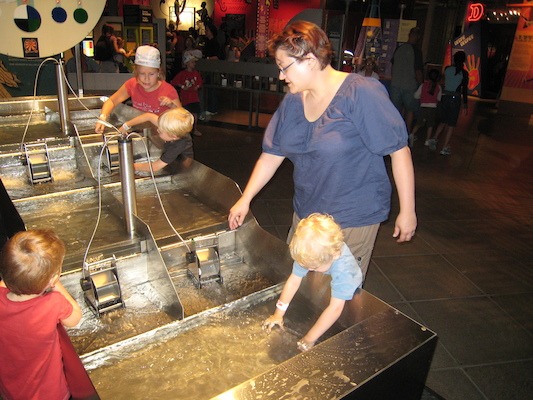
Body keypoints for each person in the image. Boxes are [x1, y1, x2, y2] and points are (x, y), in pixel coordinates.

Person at [228, 21, 416, 282]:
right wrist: (245, 198)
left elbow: (399, 150)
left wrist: (408, 211)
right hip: (307, 215)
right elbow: (272, 153)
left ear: (309, 59)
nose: (281, 76)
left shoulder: (359, 92)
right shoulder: (294, 100)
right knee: (296, 284)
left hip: (352, 218)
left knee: (337, 296)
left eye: (284, 67)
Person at [0, 229, 82, 400]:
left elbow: (6, 281)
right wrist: (55, 284)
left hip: (11, 388)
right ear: (52, 278)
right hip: (50, 393)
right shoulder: (52, 302)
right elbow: (75, 317)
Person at [262, 213, 363, 352]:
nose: (309, 270)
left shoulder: (344, 272)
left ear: (335, 255)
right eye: (306, 266)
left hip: (349, 287)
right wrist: (278, 314)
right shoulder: (309, 252)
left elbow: (335, 309)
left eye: (314, 267)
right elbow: (293, 282)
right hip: (327, 272)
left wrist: (309, 339)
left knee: (348, 319)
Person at [95, 45, 182, 135]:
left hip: (164, 136)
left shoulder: (168, 90)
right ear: (136, 72)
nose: (146, 79)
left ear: (158, 73)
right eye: (142, 74)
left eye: (151, 74)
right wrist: (102, 118)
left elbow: (182, 118)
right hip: (142, 133)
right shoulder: (132, 84)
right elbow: (112, 101)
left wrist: (171, 105)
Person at [118, 107, 194, 172]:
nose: (157, 130)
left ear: (173, 136)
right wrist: (126, 126)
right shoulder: (168, 127)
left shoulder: (177, 146)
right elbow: (148, 116)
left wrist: (130, 166)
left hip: (181, 165)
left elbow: (155, 167)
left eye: (160, 132)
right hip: (171, 158)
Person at [426, 51, 469, 156]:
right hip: (455, 98)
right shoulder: (464, 73)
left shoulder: (447, 69)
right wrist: (465, 104)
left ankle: (435, 138)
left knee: (443, 121)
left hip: (445, 97)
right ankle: (445, 147)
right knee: (451, 124)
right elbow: (464, 90)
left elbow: (444, 81)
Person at [389, 27, 424, 134]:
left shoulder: (399, 48)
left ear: (409, 35)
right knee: (410, 109)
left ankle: (393, 131)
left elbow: (393, 65)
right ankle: (406, 132)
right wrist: (421, 84)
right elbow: (418, 70)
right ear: (418, 37)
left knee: (395, 110)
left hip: (395, 83)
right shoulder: (416, 51)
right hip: (409, 85)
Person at [171, 54, 203, 136]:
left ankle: (194, 129)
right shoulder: (182, 74)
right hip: (186, 98)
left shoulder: (196, 73)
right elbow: (174, 81)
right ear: (187, 63)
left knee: (195, 114)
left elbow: (200, 82)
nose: (194, 64)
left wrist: (197, 86)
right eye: (192, 62)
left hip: (194, 98)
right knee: (186, 115)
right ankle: (186, 130)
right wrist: (182, 86)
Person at [410, 68, 442, 148]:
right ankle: (427, 140)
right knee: (430, 125)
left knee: (419, 123)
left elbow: (416, 95)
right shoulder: (438, 87)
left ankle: (412, 134)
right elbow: (439, 98)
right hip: (433, 108)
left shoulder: (423, 86)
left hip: (423, 107)